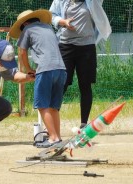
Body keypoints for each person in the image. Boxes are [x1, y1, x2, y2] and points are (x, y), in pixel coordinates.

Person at [49, 0, 112, 129]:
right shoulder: (60, 1)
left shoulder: (92, 1)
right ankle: (51, 121)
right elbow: (51, 15)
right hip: (65, 46)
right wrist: (63, 22)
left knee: (85, 84)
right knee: (62, 83)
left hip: (86, 47)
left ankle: (84, 124)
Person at [9, 9, 67, 148]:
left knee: (42, 105)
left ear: (24, 23)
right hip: (61, 69)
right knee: (54, 107)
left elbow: (22, 52)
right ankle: (57, 138)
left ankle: (52, 138)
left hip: (45, 69)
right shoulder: (48, 28)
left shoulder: (27, 29)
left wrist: (28, 69)